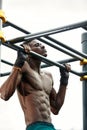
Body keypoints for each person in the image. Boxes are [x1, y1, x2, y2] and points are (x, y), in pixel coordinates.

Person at [0, 39, 71, 130]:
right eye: (37, 45)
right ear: (28, 50)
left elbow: (56, 108)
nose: (43, 46)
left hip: (50, 126)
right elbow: (4, 94)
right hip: (35, 127)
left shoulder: (48, 76)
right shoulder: (24, 68)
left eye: (42, 44)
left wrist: (64, 81)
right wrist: (19, 62)